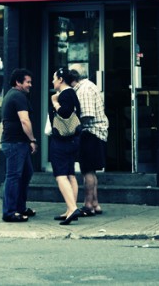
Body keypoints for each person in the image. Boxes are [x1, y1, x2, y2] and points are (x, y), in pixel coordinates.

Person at [70, 63, 109, 217]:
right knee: (91, 171)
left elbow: (87, 115)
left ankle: (88, 204)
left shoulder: (84, 90)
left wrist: (72, 126)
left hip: (90, 133)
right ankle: (95, 203)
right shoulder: (88, 86)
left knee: (87, 170)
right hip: (96, 133)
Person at [0, 68, 38, 223]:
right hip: (15, 143)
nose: (30, 85)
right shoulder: (18, 96)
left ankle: (20, 208)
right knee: (14, 176)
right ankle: (9, 212)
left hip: (16, 142)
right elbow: (24, 120)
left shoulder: (11, 95)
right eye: (28, 82)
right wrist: (32, 139)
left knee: (26, 173)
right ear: (18, 82)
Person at [49, 67, 83, 225]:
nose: (52, 81)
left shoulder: (65, 94)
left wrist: (55, 103)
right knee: (70, 175)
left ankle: (72, 208)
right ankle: (70, 210)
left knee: (61, 175)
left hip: (62, 141)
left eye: (54, 78)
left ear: (61, 79)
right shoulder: (73, 93)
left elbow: (65, 113)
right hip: (72, 140)